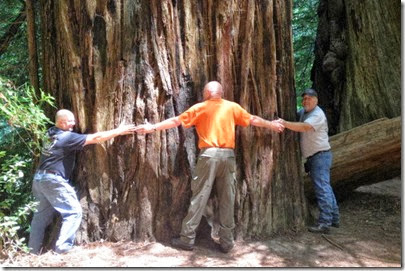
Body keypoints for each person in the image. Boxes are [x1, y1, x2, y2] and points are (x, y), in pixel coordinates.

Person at [136, 81, 284, 253]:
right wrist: (271, 124)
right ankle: (227, 242)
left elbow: (176, 121)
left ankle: (187, 239)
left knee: (199, 196)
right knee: (227, 198)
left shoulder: (201, 107)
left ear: (206, 93)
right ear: (220, 93)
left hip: (209, 155)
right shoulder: (232, 107)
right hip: (228, 156)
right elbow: (252, 119)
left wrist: (152, 127)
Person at [28, 109, 137, 254]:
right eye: (70, 121)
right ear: (61, 122)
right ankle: (63, 247)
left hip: (39, 180)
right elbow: (97, 137)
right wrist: (119, 130)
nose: (74, 123)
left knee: (39, 219)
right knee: (73, 212)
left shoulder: (50, 133)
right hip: (53, 181)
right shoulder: (67, 138)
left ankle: (32, 251)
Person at [276, 88, 339, 234]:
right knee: (326, 187)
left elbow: (304, 127)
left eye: (309, 98)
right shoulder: (304, 112)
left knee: (322, 189)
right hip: (314, 157)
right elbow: (298, 117)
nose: (306, 101)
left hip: (320, 156)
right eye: (304, 99)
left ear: (316, 100)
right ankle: (334, 218)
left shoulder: (317, 114)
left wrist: (284, 123)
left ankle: (325, 223)